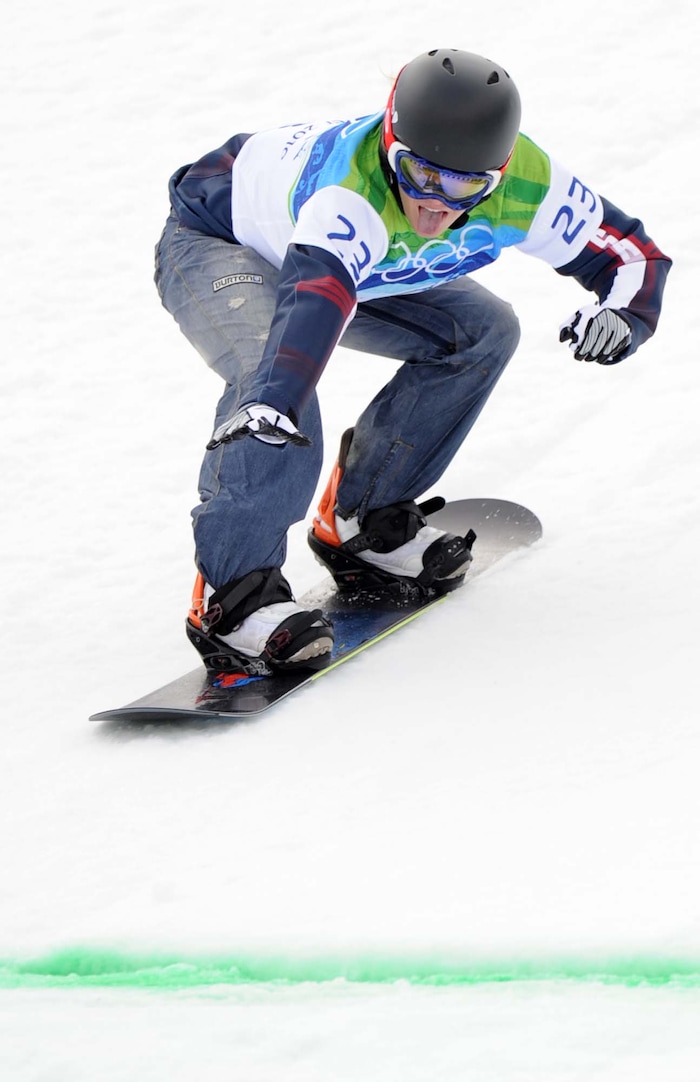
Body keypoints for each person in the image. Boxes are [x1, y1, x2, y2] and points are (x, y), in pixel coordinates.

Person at [154, 47, 671, 676]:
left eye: (466, 187)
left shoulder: (532, 186)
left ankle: (363, 518)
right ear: (389, 142)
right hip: (223, 243)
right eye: (420, 175)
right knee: (275, 389)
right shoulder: (350, 196)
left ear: (499, 175)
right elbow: (313, 305)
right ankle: (233, 597)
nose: (437, 203)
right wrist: (276, 395)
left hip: (368, 266)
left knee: (484, 331)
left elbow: (634, 258)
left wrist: (624, 316)